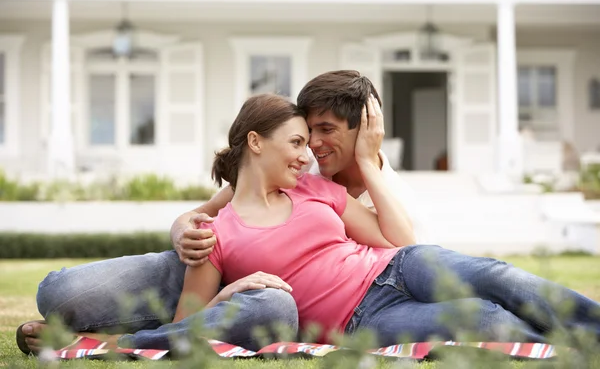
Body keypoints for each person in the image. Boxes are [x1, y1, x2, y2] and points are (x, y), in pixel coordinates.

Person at [18, 70, 423, 354]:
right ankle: (135, 329)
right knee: (57, 295)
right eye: (308, 131)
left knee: (258, 308)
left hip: (267, 299)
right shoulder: (298, 167)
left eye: (326, 131)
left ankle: (124, 339)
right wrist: (182, 231)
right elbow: (209, 210)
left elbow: (405, 254)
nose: (313, 145)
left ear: (366, 130)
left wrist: (369, 164)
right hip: (203, 271)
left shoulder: (392, 200)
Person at [163, 93, 600, 347]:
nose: (306, 154)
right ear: (255, 143)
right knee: (485, 319)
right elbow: (188, 322)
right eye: (297, 142)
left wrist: (368, 160)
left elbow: (395, 239)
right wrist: (232, 290)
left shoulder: (311, 187)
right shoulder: (213, 234)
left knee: (500, 277)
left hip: (397, 267)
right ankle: (570, 348)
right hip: (359, 321)